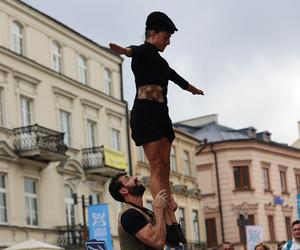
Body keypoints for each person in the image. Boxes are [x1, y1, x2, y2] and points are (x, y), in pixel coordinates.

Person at [109, 11, 204, 243]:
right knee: (156, 167)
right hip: (146, 114)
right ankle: (169, 220)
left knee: (165, 169)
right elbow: (132, 50)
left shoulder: (162, 62)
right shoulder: (142, 51)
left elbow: (175, 77)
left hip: (162, 115)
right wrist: (122, 51)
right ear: (152, 33)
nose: (168, 41)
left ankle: (172, 218)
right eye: (166, 36)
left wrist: (192, 88)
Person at [109, 172, 178, 250]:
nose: (135, 177)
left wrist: (168, 210)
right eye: (127, 179)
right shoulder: (129, 215)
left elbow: (173, 241)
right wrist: (159, 209)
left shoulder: (146, 213)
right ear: (123, 191)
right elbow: (158, 242)